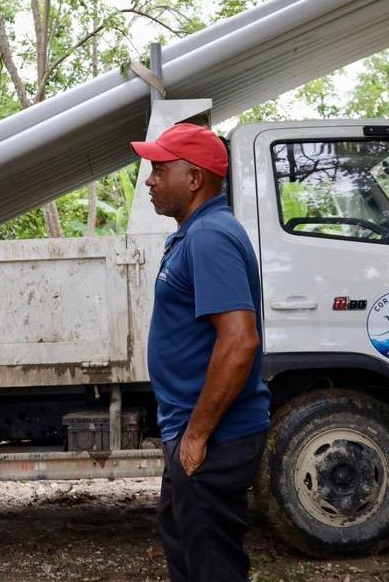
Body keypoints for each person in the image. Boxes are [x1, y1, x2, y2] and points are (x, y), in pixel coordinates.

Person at [131, 122, 272, 582]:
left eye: (159, 169)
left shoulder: (211, 237)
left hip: (212, 439)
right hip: (195, 433)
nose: (150, 180)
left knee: (211, 565)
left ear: (194, 179)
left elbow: (239, 340)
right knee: (187, 552)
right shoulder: (195, 234)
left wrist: (195, 437)